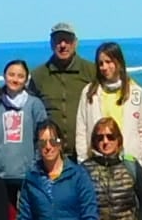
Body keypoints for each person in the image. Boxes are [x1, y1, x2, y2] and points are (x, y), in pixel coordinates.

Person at [75, 42, 142, 176]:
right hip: (96, 165)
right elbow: (81, 131)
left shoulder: (137, 93)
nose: (104, 67)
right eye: (101, 63)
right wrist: (83, 161)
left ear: (118, 62)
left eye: (108, 62)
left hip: (129, 163)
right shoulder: (89, 92)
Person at [0, 60, 48, 208]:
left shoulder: (35, 105)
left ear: (26, 80)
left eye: (20, 76)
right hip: (1, 177)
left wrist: (36, 166)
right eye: (11, 75)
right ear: (4, 76)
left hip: (29, 175)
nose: (15, 79)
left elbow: (43, 138)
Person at [27, 23, 97, 161]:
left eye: (67, 40)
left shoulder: (91, 71)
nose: (63, 45)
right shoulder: (39, 75)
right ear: (51, 44)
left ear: (75, 43)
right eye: (58, 40)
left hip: (86, 153)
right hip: (51, 154)